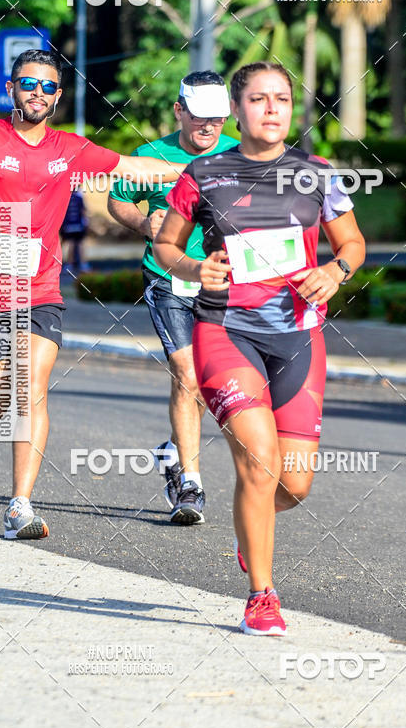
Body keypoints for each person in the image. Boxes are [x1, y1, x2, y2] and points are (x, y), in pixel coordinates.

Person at [0, 49, 185, 540]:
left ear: (59, 96)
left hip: (40, 289)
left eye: (48, 87)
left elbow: (133, 167)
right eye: (29, 84)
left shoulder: (69, 148)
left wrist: (197, 169)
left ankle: (18, 506)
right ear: (12, 89)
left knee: (30, 391)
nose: (38, 93)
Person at [154, 61, 366, 635]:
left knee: (293, 484)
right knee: (259, 463)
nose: (271, 109)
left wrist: (336, 269)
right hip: (226, 330)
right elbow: (167, 244)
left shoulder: (317, 173)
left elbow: (351, 240)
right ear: (237, 110)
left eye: (281, 99)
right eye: (257, 99)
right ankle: (262, 596)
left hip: (298, 334)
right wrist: (197, 266)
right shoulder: (205, 172)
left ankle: (252, 530)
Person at [108, 71, 237, 524]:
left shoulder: (242, 155)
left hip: (226, 281)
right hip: (167, 277)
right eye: (200, 117)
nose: (209, 127)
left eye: (218, 119)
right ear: (179, 110)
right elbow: (119, 200)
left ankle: (173, 451)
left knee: (215, 380)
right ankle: (191, 484)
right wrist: (145, 225)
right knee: (187, 374)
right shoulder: (149, 156)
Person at [61, 187, 90, 273]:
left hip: (69, 225)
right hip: (78, 224)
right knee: (80, 244)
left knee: (71, 244)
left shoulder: (65, 198)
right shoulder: (79, 198)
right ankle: (83, 264)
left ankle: (70, 264)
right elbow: (83, 211)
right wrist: (86, 223)